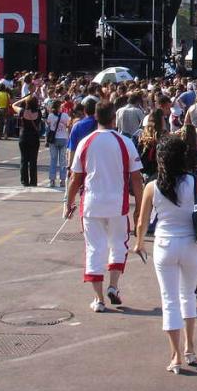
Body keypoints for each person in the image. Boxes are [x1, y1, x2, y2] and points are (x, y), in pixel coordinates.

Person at [133, 134, 197, 373]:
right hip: (192, 243)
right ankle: (190, 347)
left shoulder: (152, 186)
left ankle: (175, 355)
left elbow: (141, 222)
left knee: (169, 300)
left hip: (165, 244)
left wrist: (139, 243)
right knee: (188, 295)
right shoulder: (196, 182)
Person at [66, 101, 144, 313]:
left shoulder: (86, 142)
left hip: (91, 205)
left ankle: (98, 299)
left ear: (95, 117)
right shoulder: (125, 142)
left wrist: (68, 203)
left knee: (94, 249)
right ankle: (113, 286)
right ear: (113, 118)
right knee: (118, 245)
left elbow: (75, 178)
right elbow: (136, 178)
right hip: (118, 204)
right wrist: (140, 206)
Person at [12, 95, 42, 187]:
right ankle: (33, 181)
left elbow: (13, 105)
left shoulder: (22, 111)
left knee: (24, 159)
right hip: (34, 137)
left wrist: (23, 99)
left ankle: (24, 181)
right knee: (33, 160)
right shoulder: (38, 112)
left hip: (24, 136)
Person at [44, 99, 71, 188]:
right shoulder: (65, 115)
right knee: (63, 160)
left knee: (53, 160)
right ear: (59, 107)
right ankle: (62, 180)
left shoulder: (50, 116)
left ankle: (52, 180)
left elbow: (48, 125)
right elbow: (68, 125)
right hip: (63, 138)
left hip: (53, 139)